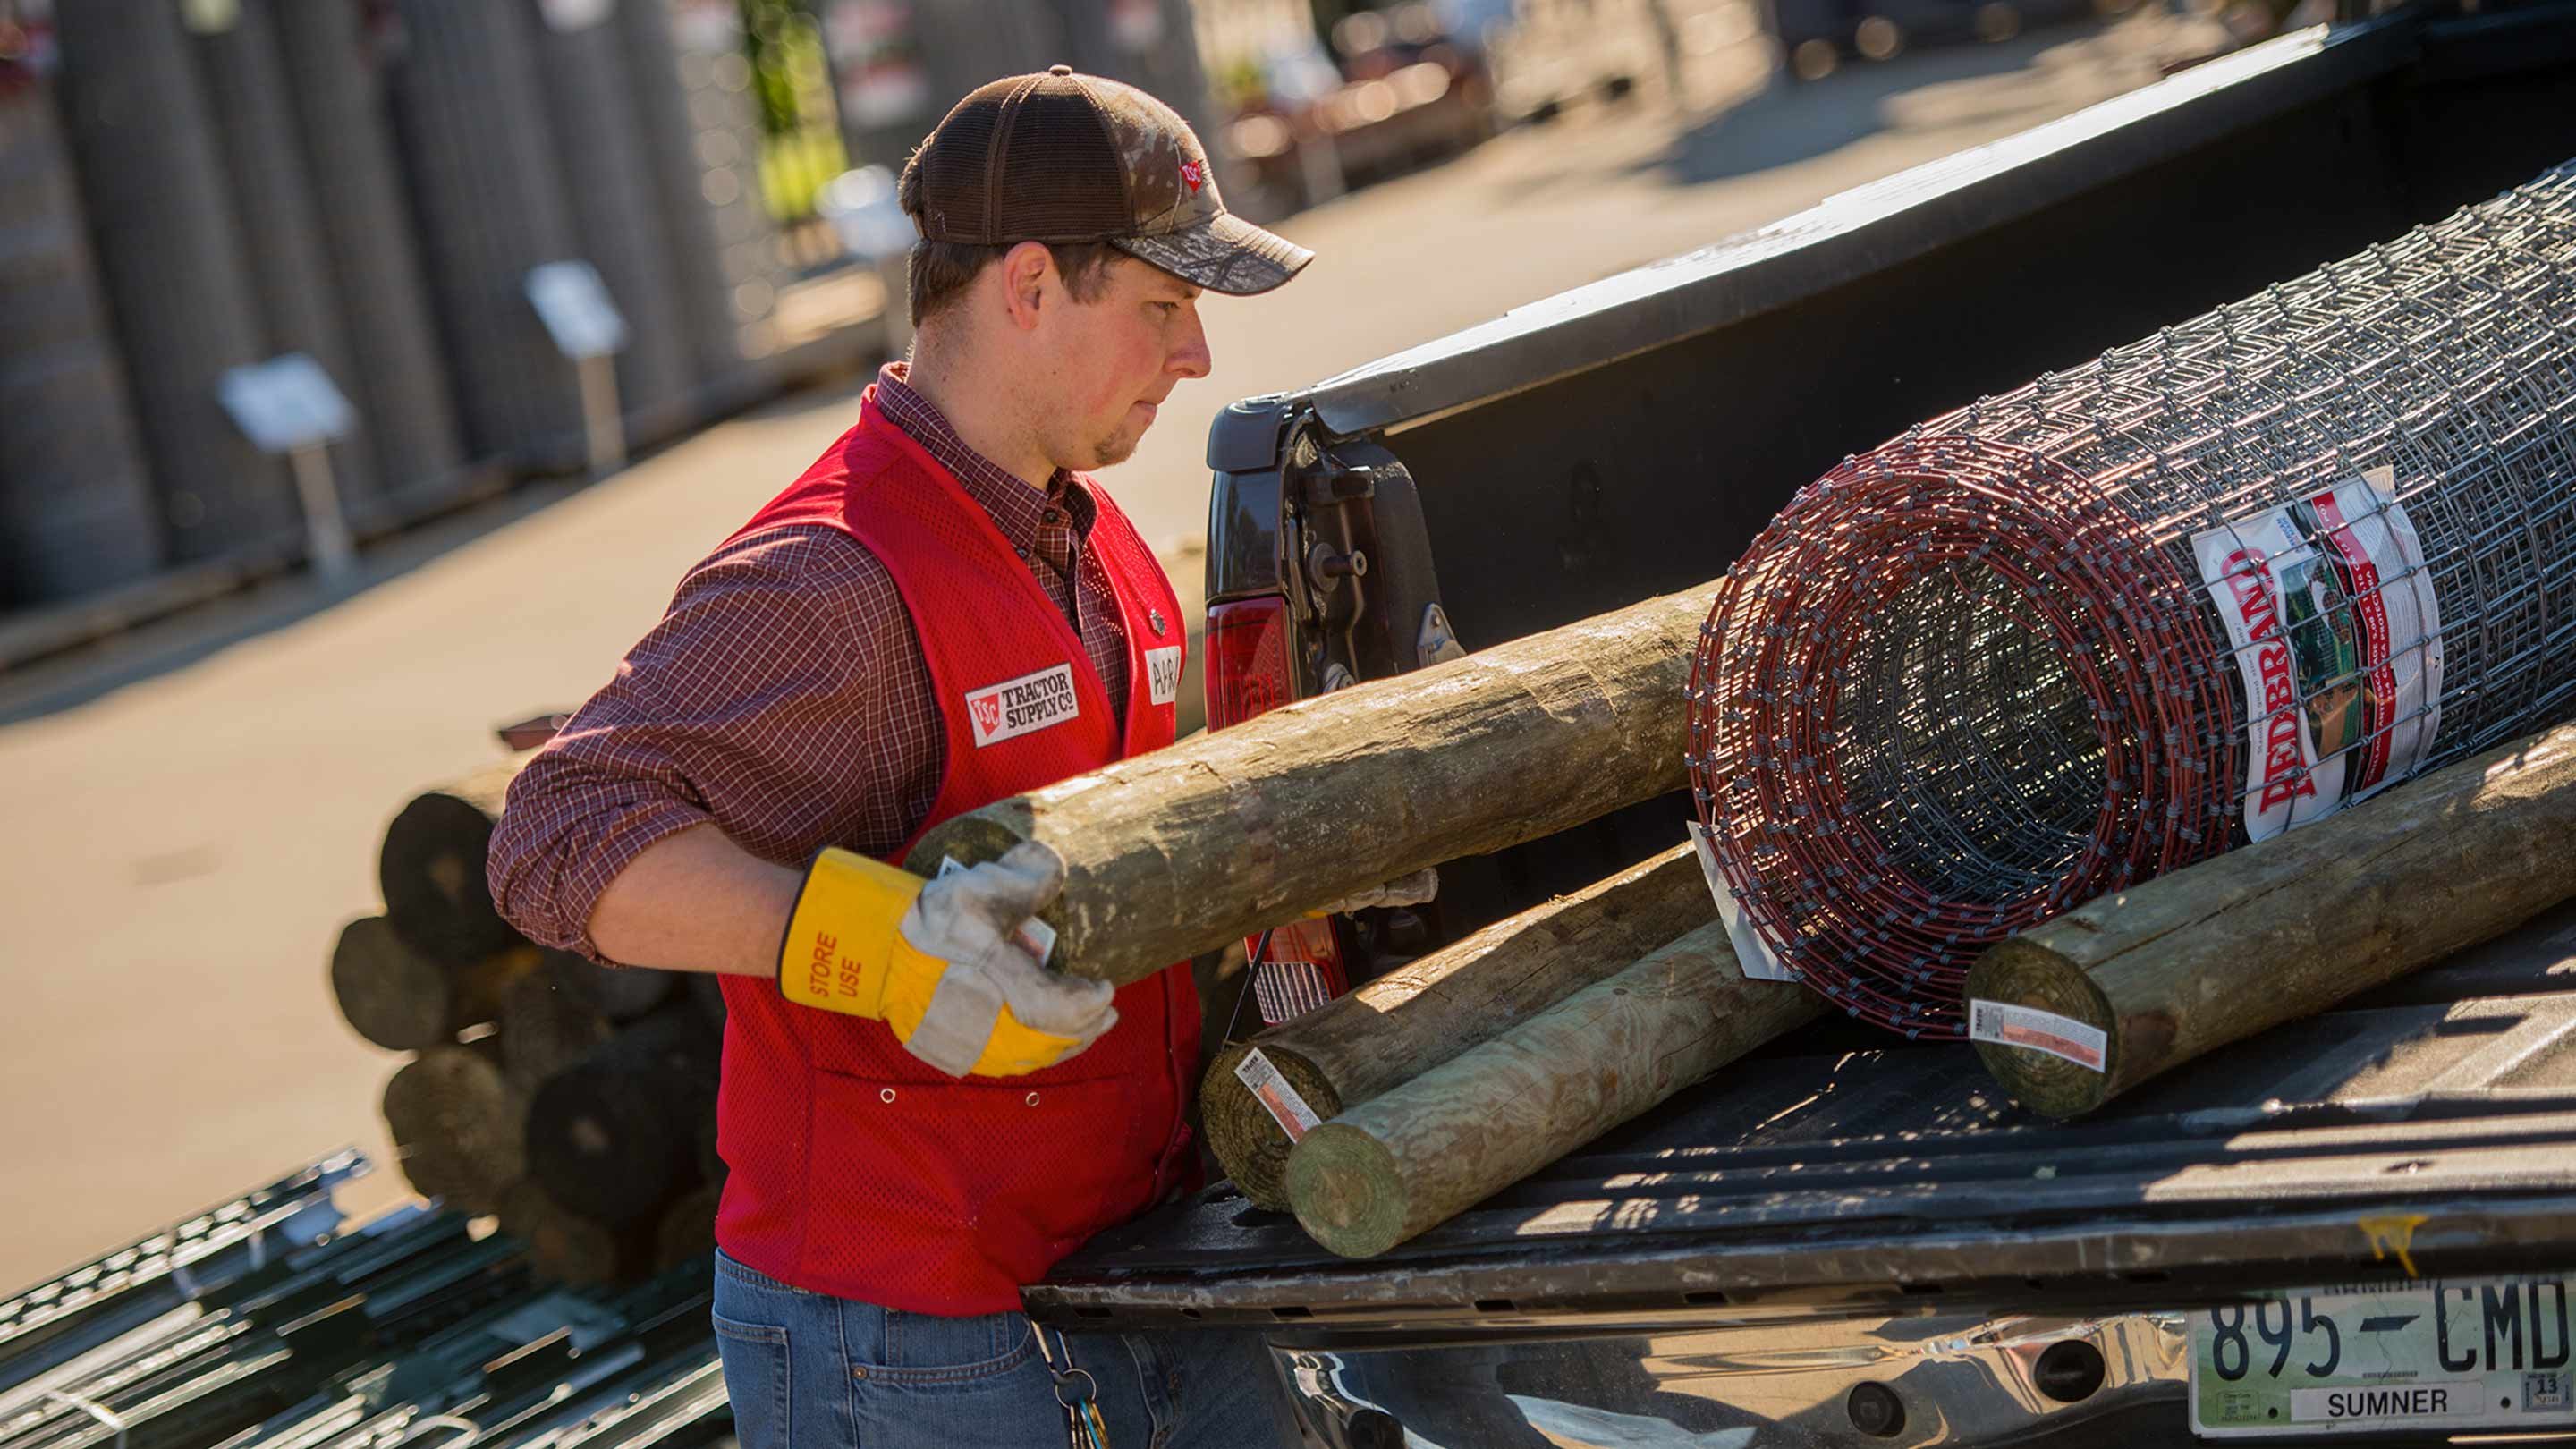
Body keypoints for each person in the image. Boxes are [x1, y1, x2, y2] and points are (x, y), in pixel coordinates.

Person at [487, 67, 1344, 1449]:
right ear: (1026, 288)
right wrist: (881, 945)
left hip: (1137, 1260)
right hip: (912, 1340)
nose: (1196, 360)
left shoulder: (1088, 533)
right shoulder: (830, 578)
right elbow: (551, 835)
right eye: (1166, 309)